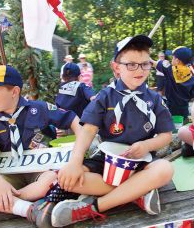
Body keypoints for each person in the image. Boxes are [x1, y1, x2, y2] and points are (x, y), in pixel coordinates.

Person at [50, 35, 174, 227]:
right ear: (117, 67)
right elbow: (87, 130)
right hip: (107, 161)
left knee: (165, 170)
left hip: (141, 161)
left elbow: (166, 135)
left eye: (144, 64)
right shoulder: (105, 96)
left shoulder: (154, 99)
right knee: (68, 179)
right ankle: (136, 192)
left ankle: (93, 208)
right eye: (131, 64)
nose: (139, 70)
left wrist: (146, 145)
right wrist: (75, 162)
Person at [0, 65, 80, 227]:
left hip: (40, 170)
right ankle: (29, 209)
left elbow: (73, 120)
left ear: (14, 92)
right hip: (10, 174)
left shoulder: (38, 108)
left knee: (55, 179)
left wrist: (80, 149)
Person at [153, 46, 194, 121]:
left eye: (173, 57)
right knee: (181, 127)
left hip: (170, 109)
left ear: (177, 61)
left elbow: (153, 63)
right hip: (184, 108)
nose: (171, 59)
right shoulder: (191, 75)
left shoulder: (170, 70)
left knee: (170, 127)